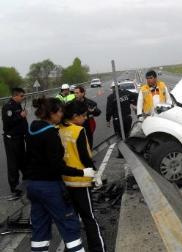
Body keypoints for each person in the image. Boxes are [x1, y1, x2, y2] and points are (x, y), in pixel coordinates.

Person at [24, 97, 95, 252]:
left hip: (33, 186)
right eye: (61, 112)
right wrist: (82, 172)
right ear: (53, 113)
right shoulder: (51, 134)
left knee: (40, 227)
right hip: (50, 187)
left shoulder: (32, 128)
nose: (62, 115)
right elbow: (58, 166)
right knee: (69, 225)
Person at [59, 101, 106, 252]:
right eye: (84, 115)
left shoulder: (57, 129)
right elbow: (85, 157)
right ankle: (97, 248)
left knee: (71, 217)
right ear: (74, 116)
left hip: (65, 180)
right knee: (89, 217)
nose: (86, 118)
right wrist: (94, 174)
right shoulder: (78, 130)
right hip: (80, 180)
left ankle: (72, 247)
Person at [1, 87, 28, 200]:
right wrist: (20, 116)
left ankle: (27, 184)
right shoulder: (8, 106)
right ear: (15, 95)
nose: (23, 98)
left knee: (24, 162)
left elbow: (21, 122)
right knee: (13, 165)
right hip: (11, 140)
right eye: (21, 96)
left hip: (20, 138)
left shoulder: (18, 105)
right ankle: (15, 190)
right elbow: (7, 123)